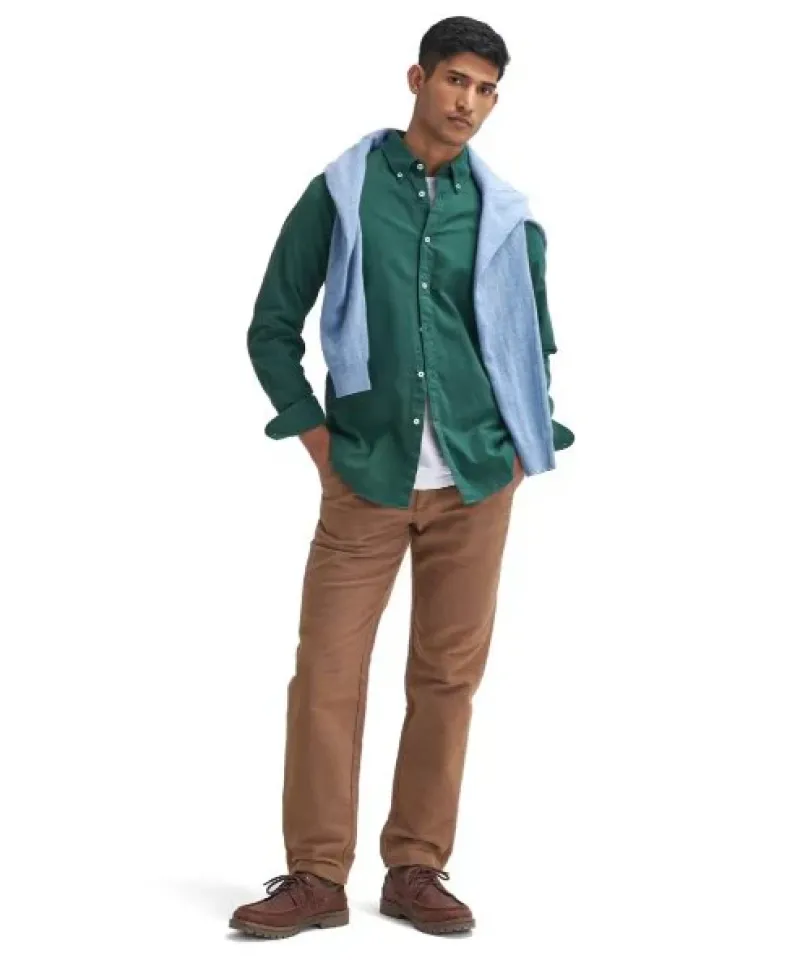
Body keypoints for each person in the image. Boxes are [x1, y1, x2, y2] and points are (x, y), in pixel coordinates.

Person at [230, 15, 574, 940]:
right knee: (327, 673)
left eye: (487, 90)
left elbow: (532, 343)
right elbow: (271, 325)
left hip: (476, 479)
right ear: (418, 79)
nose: (469, 102)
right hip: (367, 476)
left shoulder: (504, 215)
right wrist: (316, 437)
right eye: (457, 79)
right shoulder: (341, 193)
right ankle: (315, 876)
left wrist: (517, 447)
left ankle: (416, 866)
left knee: (447, 679)